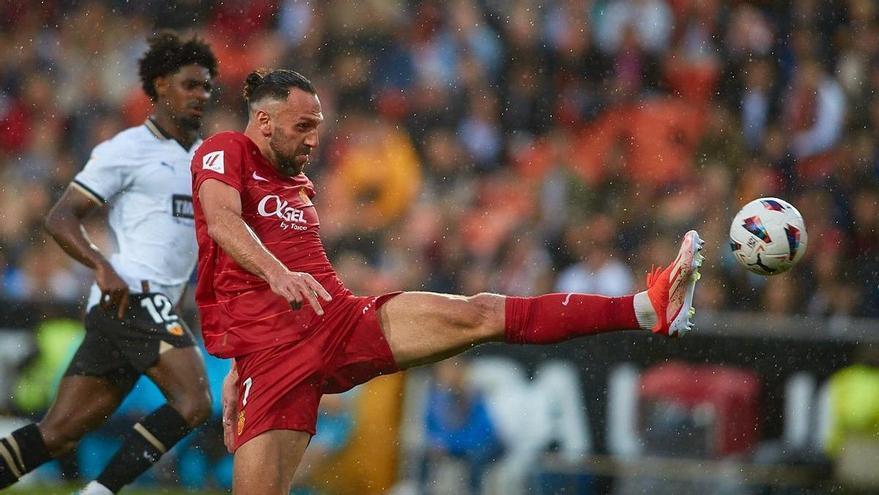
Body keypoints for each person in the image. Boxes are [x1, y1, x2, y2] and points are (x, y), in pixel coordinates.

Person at [190, 68, 704, 495]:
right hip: (277, 359)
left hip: (339, 322)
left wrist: (246, 344)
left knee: (476, 312)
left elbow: (245, 282)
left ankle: (644, 307)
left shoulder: (297, 183)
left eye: (318, 126)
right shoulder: (225, 148)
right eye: (303, 125)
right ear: (263, 120)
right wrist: (256, 333)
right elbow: (222, 222)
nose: (314, 138)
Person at [0, 32, 218, 495]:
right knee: (195, 401)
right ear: (159, 85)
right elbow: (60, 217)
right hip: (132, 294)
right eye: (190, 84)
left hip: (150, 306)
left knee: (59, 432)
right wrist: (101, 264)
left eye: (206, 86)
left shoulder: (207, 160)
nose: (201, 95)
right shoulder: (126, 149)